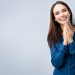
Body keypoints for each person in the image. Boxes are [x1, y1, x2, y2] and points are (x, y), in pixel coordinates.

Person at [47, 1, 75, 75]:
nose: (62, 15)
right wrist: (65, 42)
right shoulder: (52, 36)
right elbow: (56, 63)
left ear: (69, 12)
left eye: (64, 10)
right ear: (55, 18)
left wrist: (71, 41)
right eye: (57, 13)